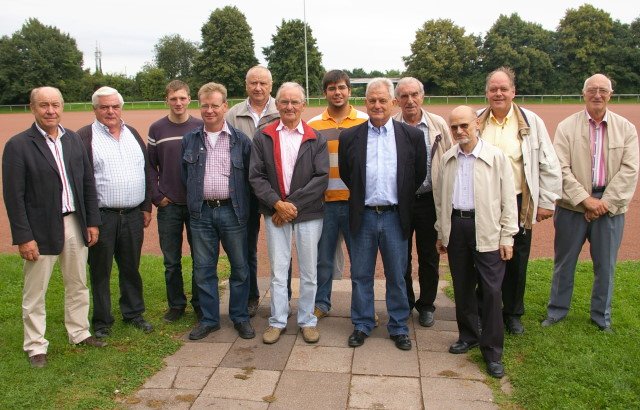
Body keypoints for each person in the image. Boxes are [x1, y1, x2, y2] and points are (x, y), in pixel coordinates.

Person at [3, 87, 106, 368]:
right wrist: (24, 237)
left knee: (78, 282)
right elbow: (14, 196)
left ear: (62, 107)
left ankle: (79, 332)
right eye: (44, 105)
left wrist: (92, 221)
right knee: (36, 291)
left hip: (74, 221)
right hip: (40, 228)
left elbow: (87, 183)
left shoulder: (73, 139)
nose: (51, 110)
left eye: (55, 104)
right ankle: (35, 345)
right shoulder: (18, 145)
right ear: (32, 108)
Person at [542, 74, 639, 332]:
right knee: (564, 263)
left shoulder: (626, 128)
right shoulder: (566, 127)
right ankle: (556, 311)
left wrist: (604, 203)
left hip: (610, 209)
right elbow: (560, 168)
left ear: (611, 94)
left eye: (603, 90)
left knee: (605, 266)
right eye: (592, 90)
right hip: (572, 207)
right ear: (583, 94)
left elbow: (630, 170)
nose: (597, 95)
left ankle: (600, 317)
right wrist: (585, 200)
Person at [338, 78, 427, 351]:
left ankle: (398, 326)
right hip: (363, 215)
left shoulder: (412, 136)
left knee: (397, 275)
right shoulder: (350, 137)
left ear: (393, 103)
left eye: (383, 100)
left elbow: (417, 174)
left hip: (394, 216)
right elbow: (347, 174)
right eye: (372, 100)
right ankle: (362, 323)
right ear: (365, 103)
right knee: (360, 274)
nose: (377, 105)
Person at [434, 105, 518, 379]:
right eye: (454, 127)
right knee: (462, 286)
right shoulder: (448, 158)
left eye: (464, 125)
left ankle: (492, 351)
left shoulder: (496, 157)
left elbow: (508, 199)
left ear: (477, 124)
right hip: (457, 227)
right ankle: (468, 336)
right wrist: (442, 232)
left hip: (488, 229)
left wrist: (507, 236)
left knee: (492, 291)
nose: (459, 131)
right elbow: (440, 199)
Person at [477, 67, 561, 334]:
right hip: (484, 203)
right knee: (484, 256)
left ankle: (512, 313)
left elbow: (548, 162)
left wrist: (546, 200)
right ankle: (483, 310)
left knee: (517, 258)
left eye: (504, 89)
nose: (498, 93)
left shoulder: (531, 121)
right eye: (493, 89)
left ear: (513, 91)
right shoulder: (477, 120)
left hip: (518, 200)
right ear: (487, 93)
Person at [249, 82, 329, 345]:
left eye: (295, 102)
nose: (289, 106)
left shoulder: (316, 137)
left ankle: (307, 320)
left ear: (303, 105)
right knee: (278, 270)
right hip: (276, 213)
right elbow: (256, 176)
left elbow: (321, 178)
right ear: (277, 104)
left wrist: (288, 206)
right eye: (284, 101)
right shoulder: (263, 136)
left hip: (308, 214)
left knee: (309, 271)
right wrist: (276, 203)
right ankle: (277, 320)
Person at [78, 86, 154, 338]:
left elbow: (145, 171)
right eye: (104, 107)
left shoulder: (132, 133)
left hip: (133, 215)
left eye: (114, 106)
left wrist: (146, 206)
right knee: (100, 271)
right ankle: (102, 321)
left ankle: (133, 313)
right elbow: (81, 182)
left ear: (121, 107)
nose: (110, 111)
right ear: (95, 109)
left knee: (131, 267)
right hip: (102, 217)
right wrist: (90, 220)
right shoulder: (84, 137)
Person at [181, 82, 254, 340]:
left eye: (214, 105)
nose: (209, 110)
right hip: (201, 214)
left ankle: (240, 317)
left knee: (240, 268)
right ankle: (209, 319)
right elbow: (184, 176)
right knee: (203, 269)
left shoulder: (241, 141)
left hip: (233, 212)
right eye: (205, 106)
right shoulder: (190, 140)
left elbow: (250, 178)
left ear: (225, 106)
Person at [307, 70, 368, 319]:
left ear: (349, 90)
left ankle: (363, 307)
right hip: (325, 203)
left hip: (356, 203)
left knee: (360, 259)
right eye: (332, 88)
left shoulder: (365, 121)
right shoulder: (313, 125)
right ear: (325, 93)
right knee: (323, 259)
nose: (337, 92)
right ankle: (321, 303)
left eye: (342, 87)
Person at [393, 77, 452, 328]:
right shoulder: (391, 125)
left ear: (422, 96)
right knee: (401, 256)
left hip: (430, 201)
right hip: (401, 202)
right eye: (404, 96)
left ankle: (427, 304)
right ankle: (405, 301)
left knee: (429, 256)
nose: (410, 100)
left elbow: (450, 158)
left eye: (414, 94)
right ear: (397, 100)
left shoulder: (438, 125)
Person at [226, 65, 280, 317]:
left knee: (280, 249)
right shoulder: (233, 114)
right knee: (246, 248)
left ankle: (283, 298)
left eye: (263, 83)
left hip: (275, 192)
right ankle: (250, 297)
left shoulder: (282, 109)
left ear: (271, 85)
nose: (258, 88)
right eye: (253, 83)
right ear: (246, 85)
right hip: (243, 193)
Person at [148, 80, 203, 323]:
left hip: (196, 205)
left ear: (189, 99)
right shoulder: (157, 129)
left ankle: (200, 304)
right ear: (166, 100)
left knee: (200, 258)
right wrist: (157, 196)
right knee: (171, 261)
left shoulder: (200, 126)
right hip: (169, 205)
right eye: (173, 99)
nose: (178, 103)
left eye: (182, 98)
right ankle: (176, 305)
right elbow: (150, 166)